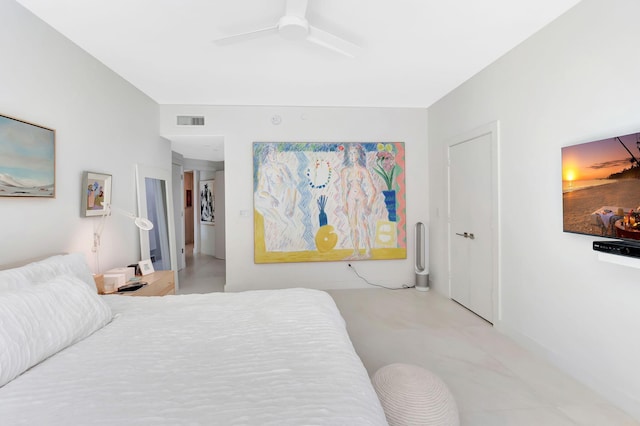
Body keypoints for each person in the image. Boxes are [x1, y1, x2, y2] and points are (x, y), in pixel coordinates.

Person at [341, 144, 376, 260]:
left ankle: (368, 251)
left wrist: (369, 205)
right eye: (350, 153)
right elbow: (344, 189)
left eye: (355, 153)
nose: (352, 156)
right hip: (350, 198)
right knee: (352, 226)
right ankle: (356, 251)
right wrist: (344, 204)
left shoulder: (363, 170)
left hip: (361, 198)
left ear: (359, 155)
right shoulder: (345, 171)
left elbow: (373, 190)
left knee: (362, 224)